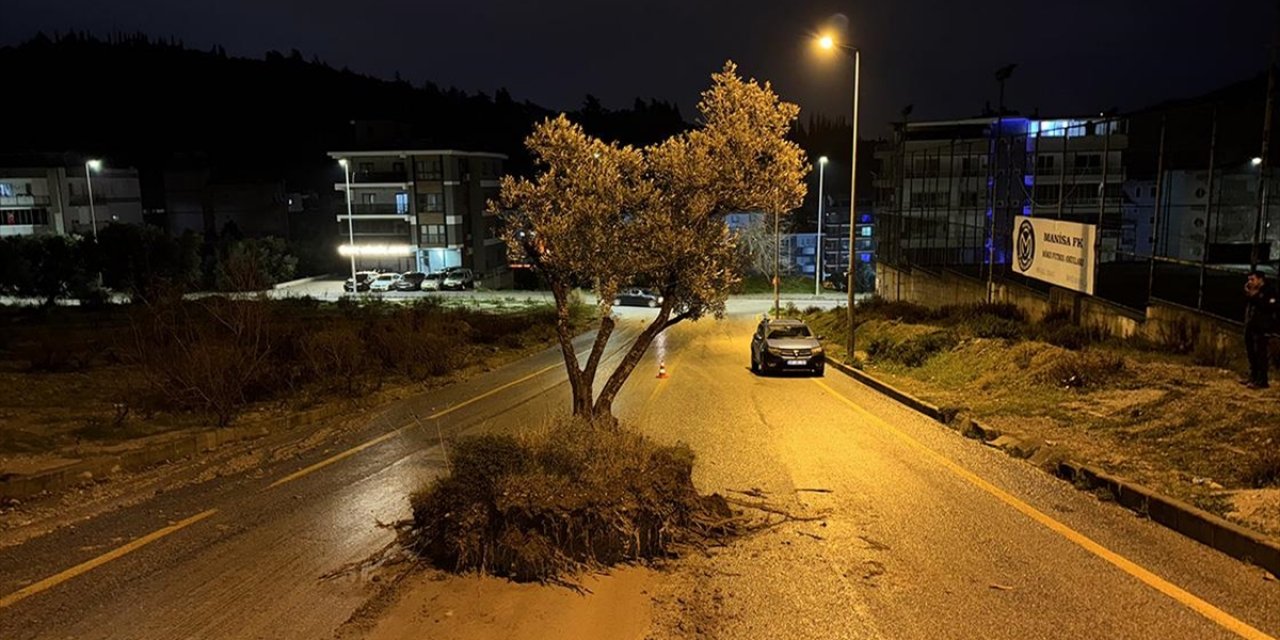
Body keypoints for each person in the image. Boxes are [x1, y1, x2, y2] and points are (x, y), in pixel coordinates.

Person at [1243, 270, 1276, 389]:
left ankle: (1262, 380)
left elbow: (1268, 307)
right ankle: (1253, 376)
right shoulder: (1252, 291)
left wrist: (1254, 296)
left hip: (1262, 326)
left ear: (1260, 279)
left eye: (1252, 279)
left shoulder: (1269, 291)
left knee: (1260, 353)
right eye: (1249, 280)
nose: (1250, 282)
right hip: (1251, 324)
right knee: (1251, 351)